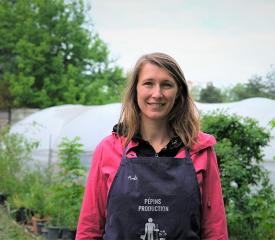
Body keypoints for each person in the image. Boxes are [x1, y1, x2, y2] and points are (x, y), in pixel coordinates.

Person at [76, 52, 228, 240]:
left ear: (179, 91)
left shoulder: (201, 150)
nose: (157, 94)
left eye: (166, 85)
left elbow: (215, 231)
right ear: (135, 90)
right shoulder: (107, 149)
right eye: (148, 83)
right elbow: (89, 229)